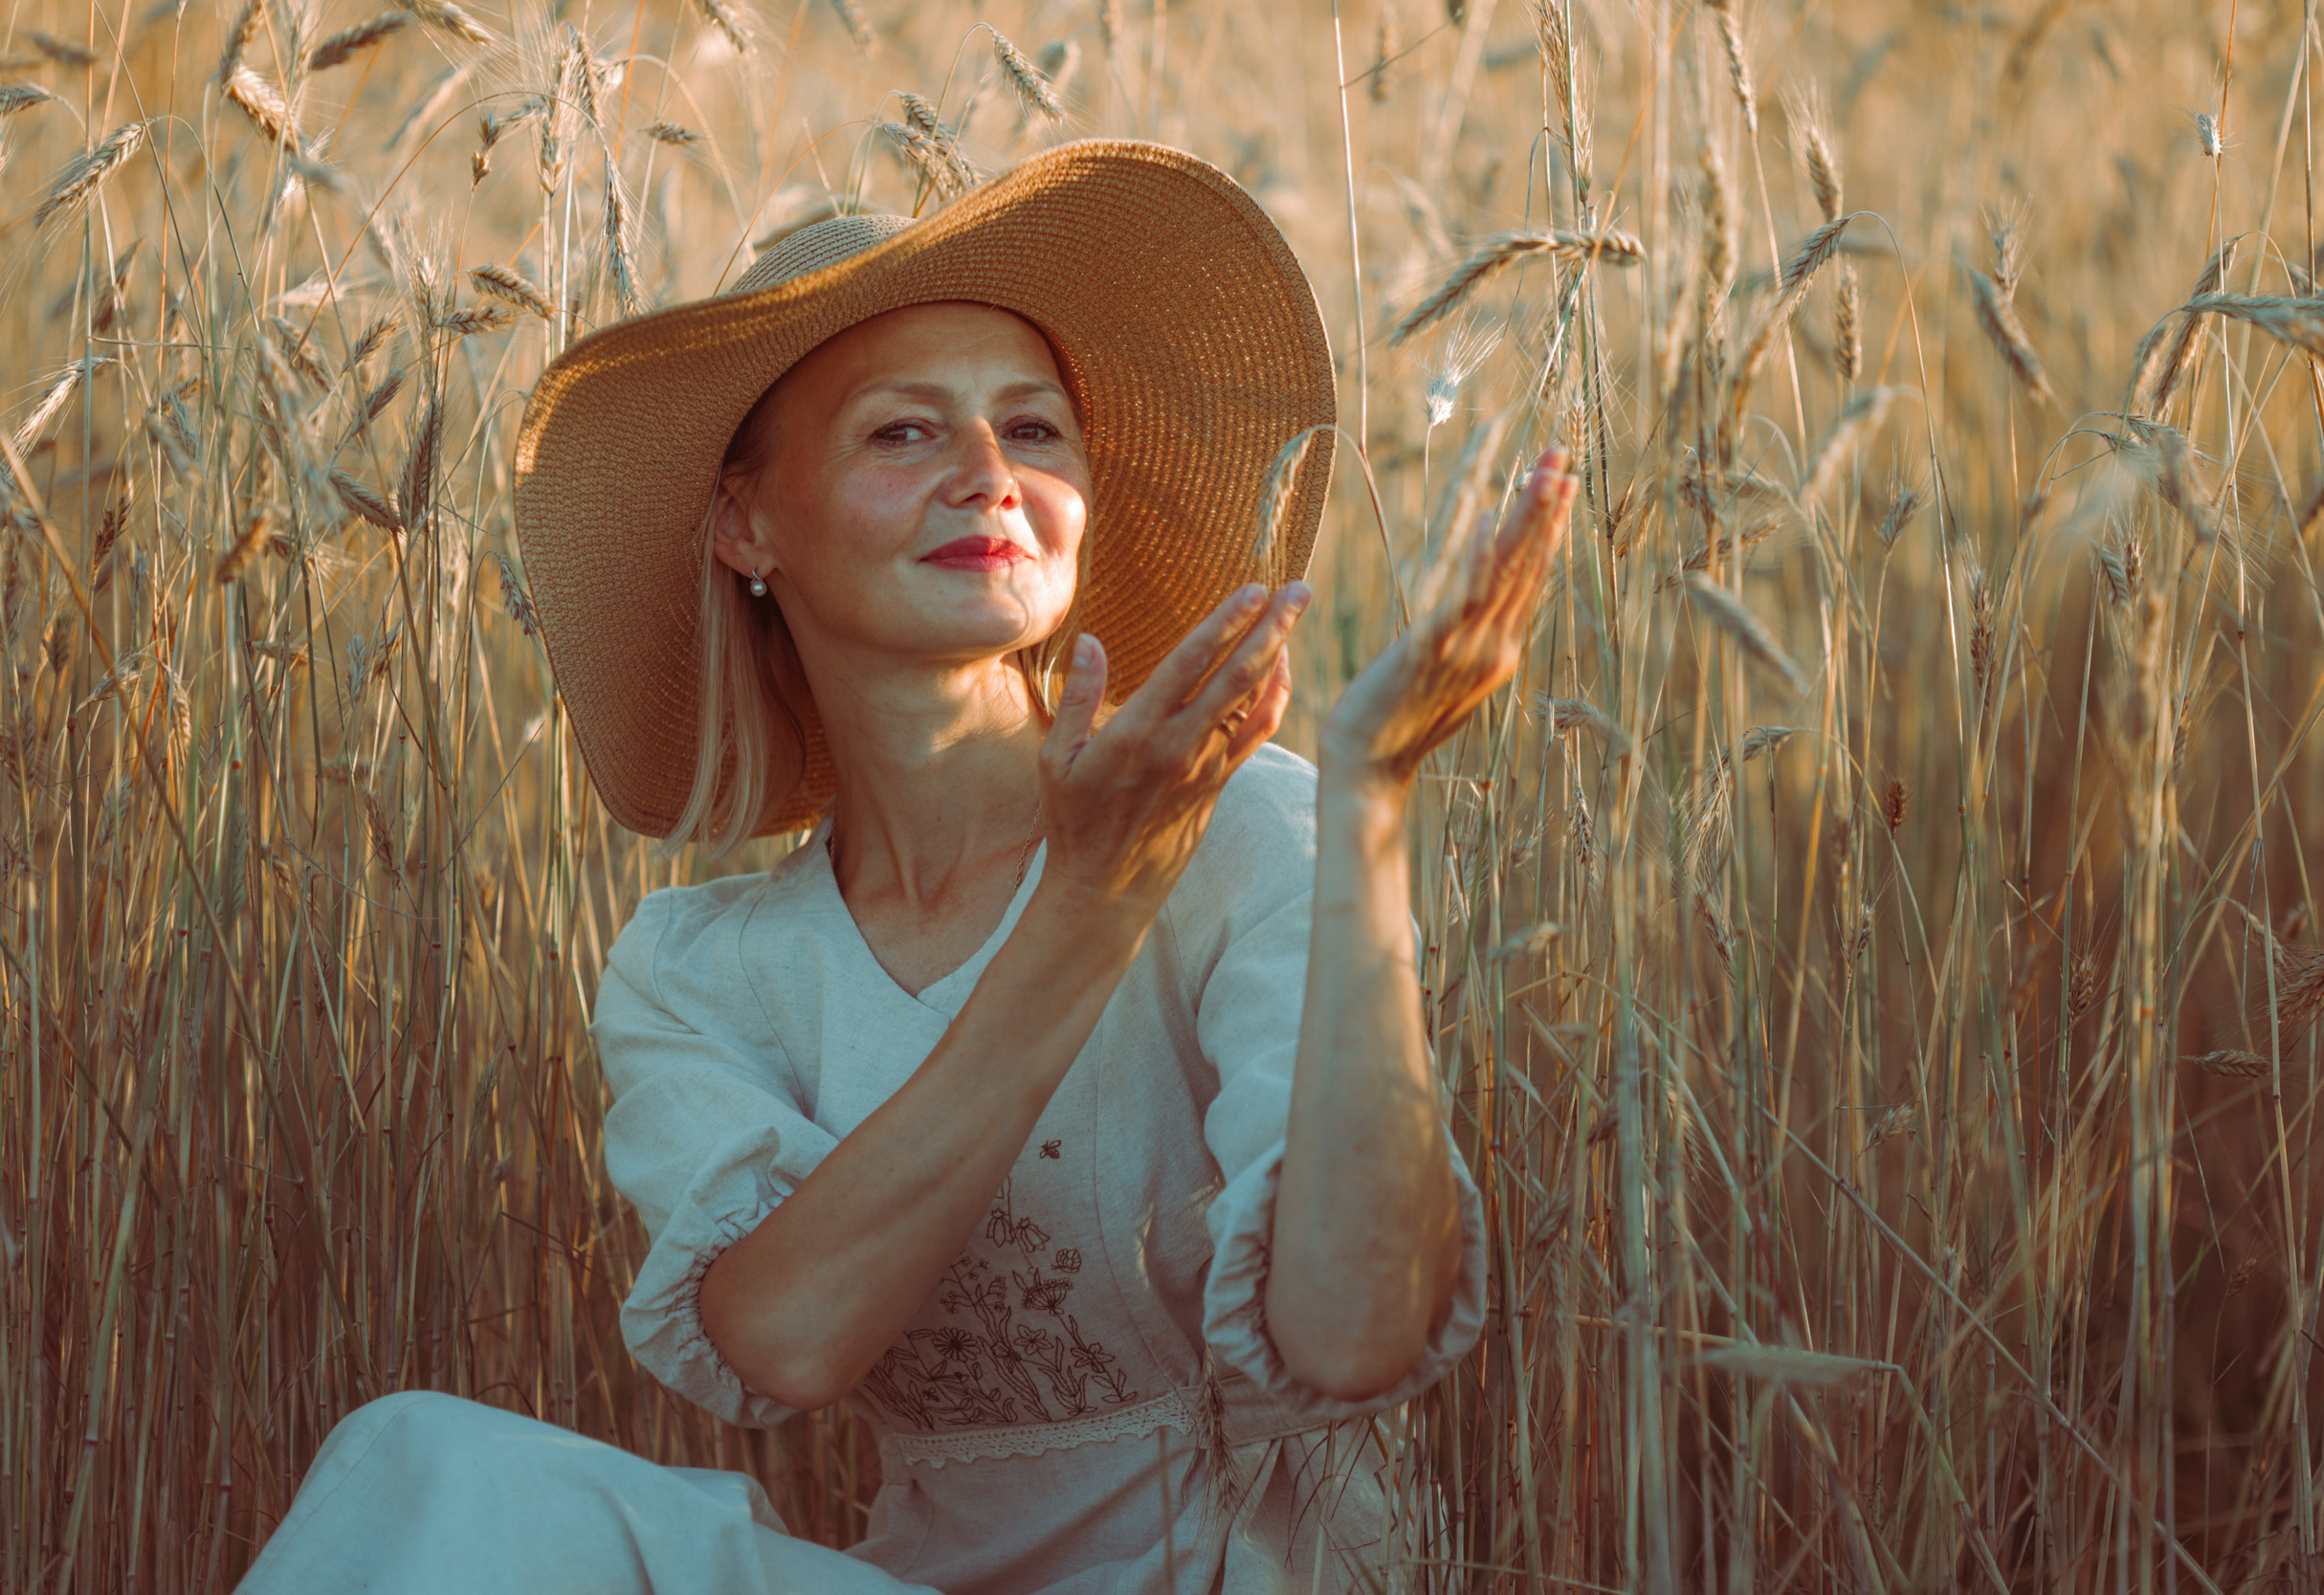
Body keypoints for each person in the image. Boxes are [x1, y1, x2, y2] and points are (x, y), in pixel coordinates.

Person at [235, 139, 1575, 1595]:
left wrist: (1371, 798)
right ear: (747, 523)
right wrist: (1087, 904)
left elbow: (1359, 1337)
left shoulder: (1241, 826)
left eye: (1034, 430)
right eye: (903, 435)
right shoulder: (706, 975)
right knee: (421, 1462)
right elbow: (790, 1338)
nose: (990, 477)